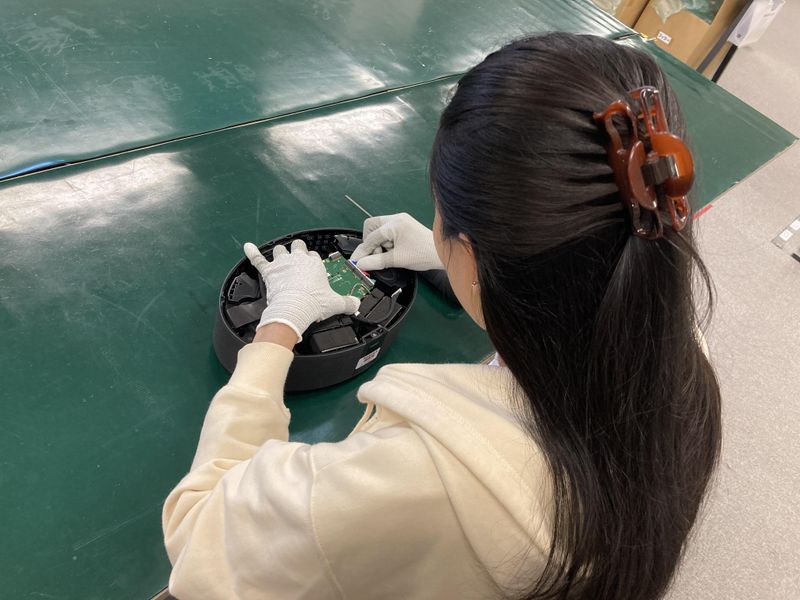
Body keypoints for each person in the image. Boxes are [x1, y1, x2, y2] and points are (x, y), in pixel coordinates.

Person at [162, 32, 721, 600]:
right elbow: (584, 280)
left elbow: (199, 535)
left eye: (439, 216)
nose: (435, 226)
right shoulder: (677, 343)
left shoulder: (419, 480)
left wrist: (277, 328)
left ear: (474, 255)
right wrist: (447, 257)